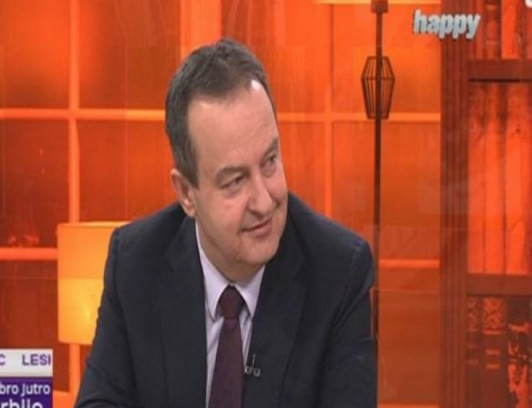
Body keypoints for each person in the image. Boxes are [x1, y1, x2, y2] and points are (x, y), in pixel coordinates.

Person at [75, 38, 377, 408]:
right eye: (235, 181)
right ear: (187, 193)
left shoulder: (338, 272)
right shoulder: (136, 264)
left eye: (270, 162)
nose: (264, 202)